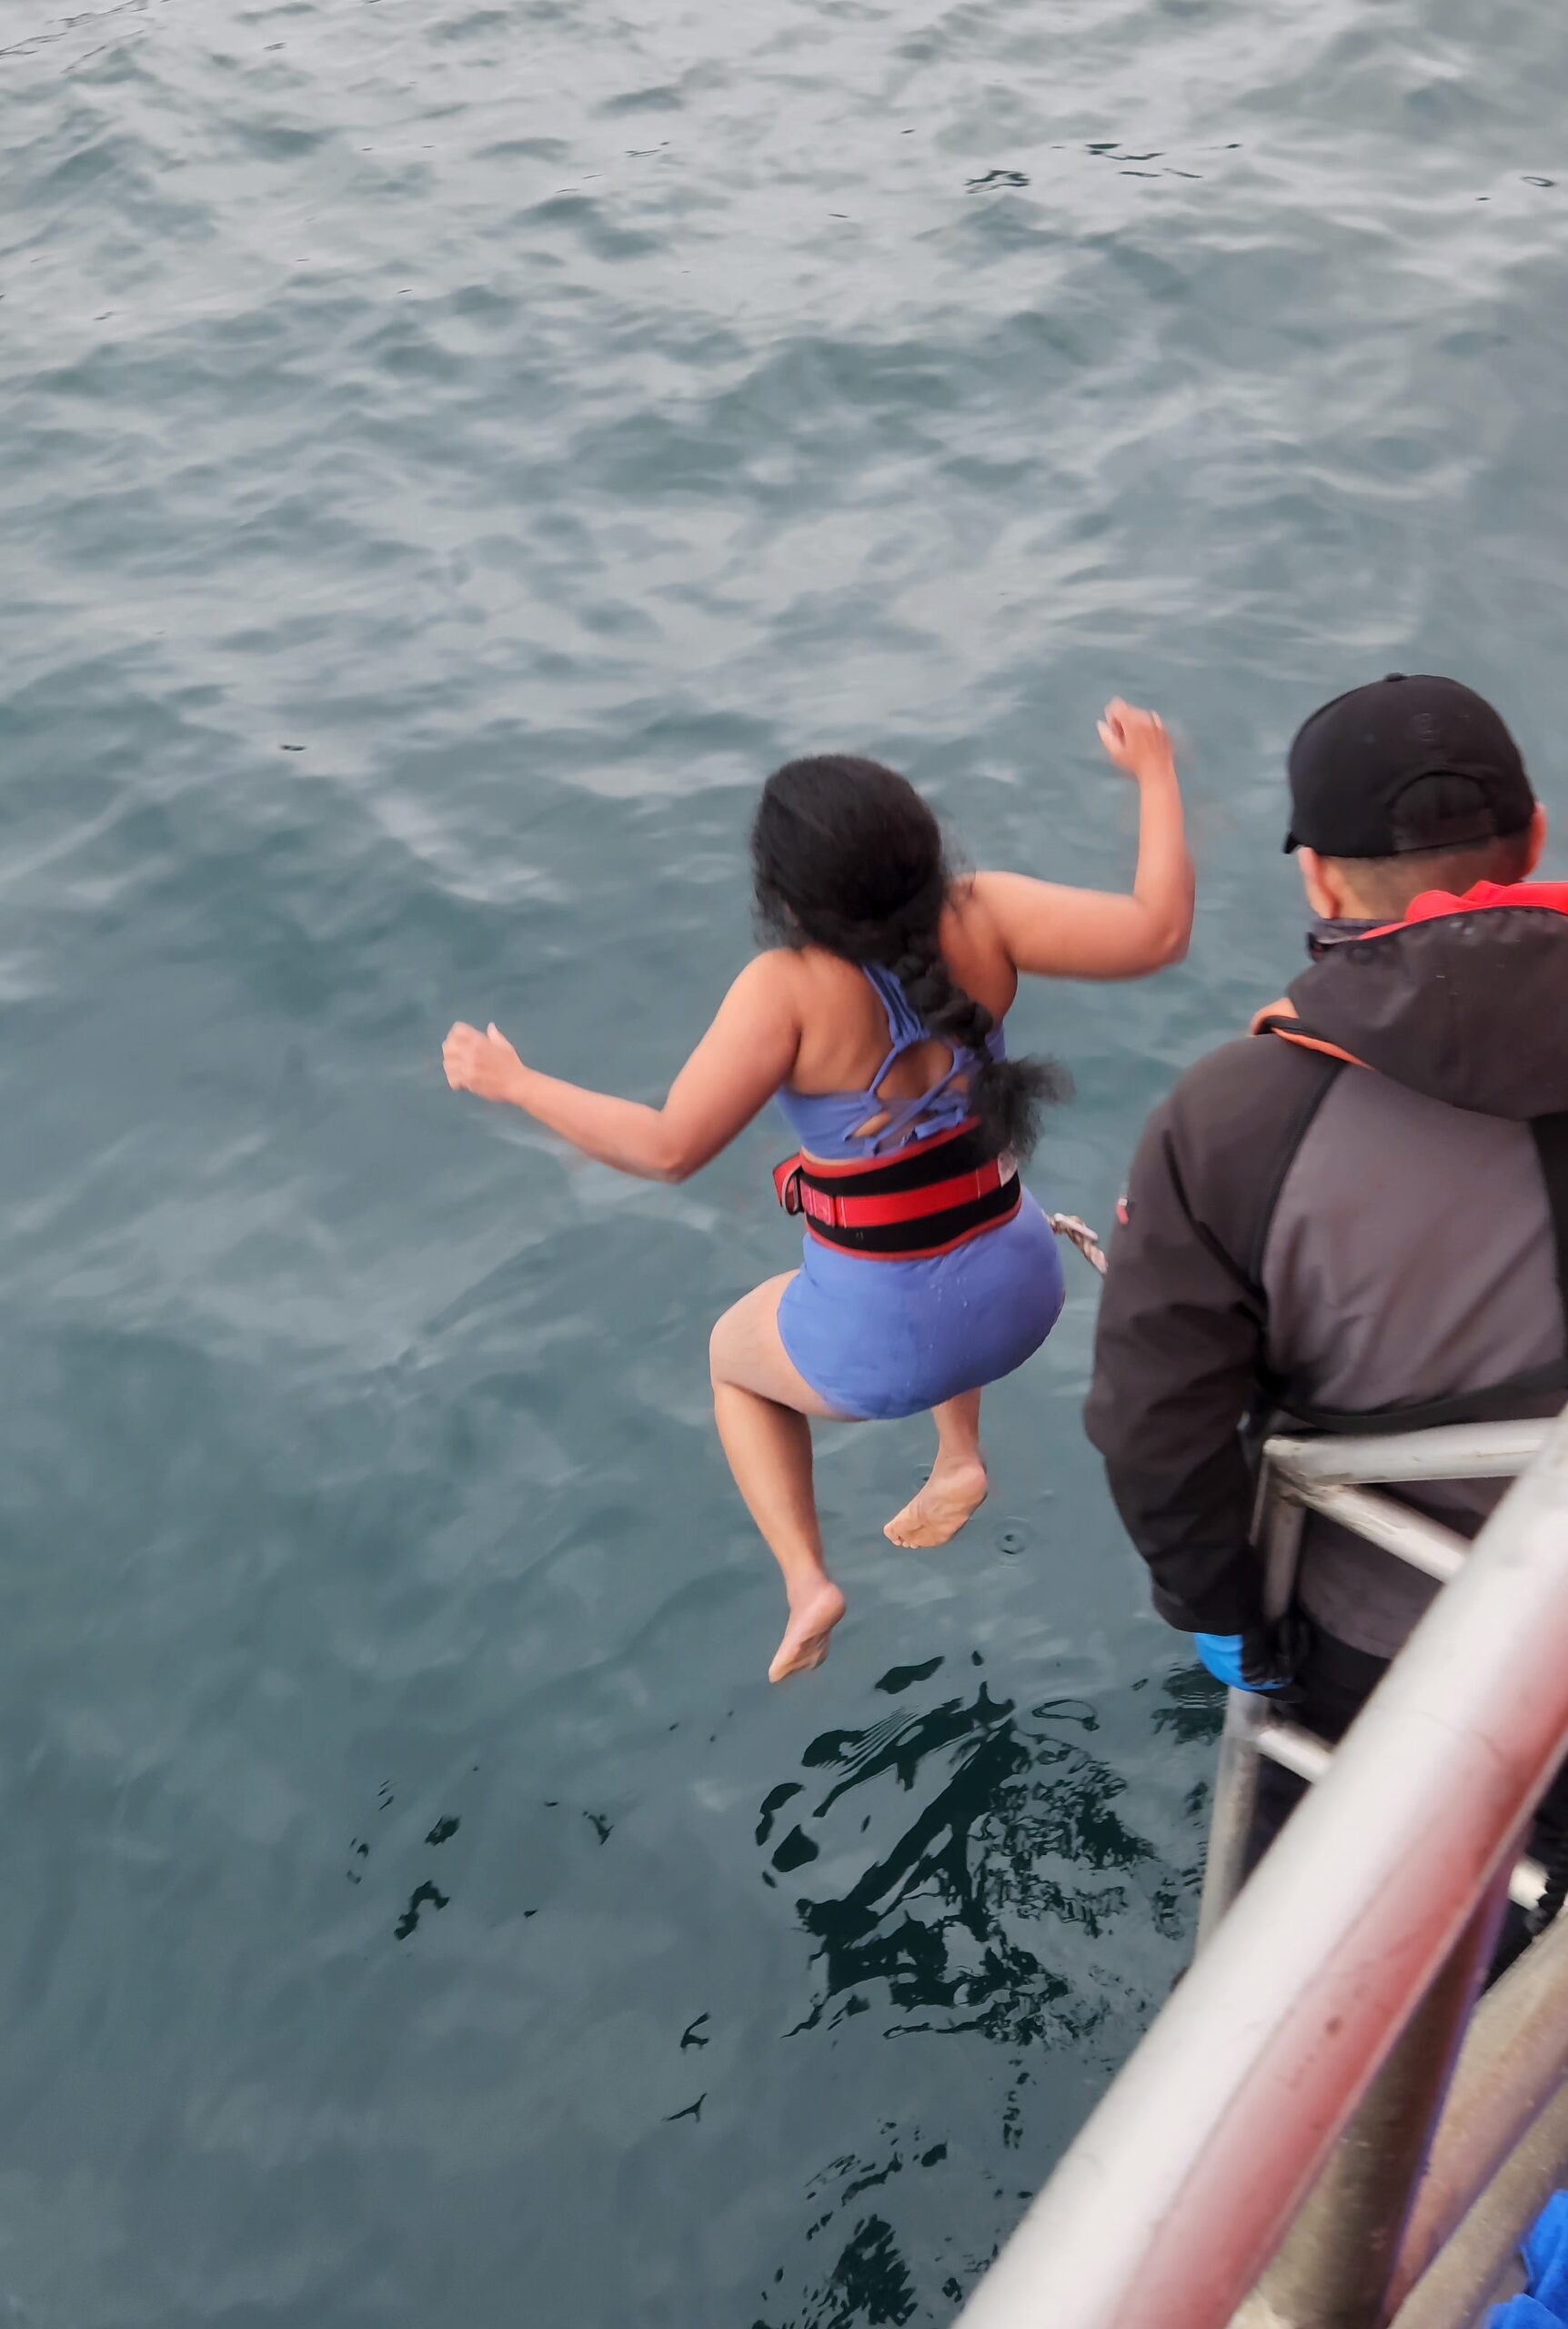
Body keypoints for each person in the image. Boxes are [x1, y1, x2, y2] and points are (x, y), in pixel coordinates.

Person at [445, 702, 1193, 1684]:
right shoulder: (985, 914)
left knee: (729, 1360)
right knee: (943, 1218)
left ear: (789, 904)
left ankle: (806, 1580)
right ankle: (957, 1453)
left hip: (886, 1349)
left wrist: (517, 1083)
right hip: (1024, 1292)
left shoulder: (784, 991)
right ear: (924, 849)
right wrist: (1152, 774)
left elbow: (667, 1148)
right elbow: (1157, 931)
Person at [1085, 673, 1568, 1911]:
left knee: (1336, 1943)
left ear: (1319, 881)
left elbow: (1159, 1434)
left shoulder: (1232, 1123)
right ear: (1536, 841)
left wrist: (1227, 1618)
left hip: (1395, 1654)